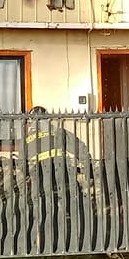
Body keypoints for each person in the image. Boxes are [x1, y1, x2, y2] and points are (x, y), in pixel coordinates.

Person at [19, 106, 93, 250]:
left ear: (31, 122)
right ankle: (79, 243)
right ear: (47, 118)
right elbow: (80, 148)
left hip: (40, 175)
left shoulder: (26, 140)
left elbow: (22, 163)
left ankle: (46, 247)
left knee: (45, 210)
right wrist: (87, 166)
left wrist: (28, 174)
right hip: (62, 171)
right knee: (73, 205)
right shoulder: (58, 132)